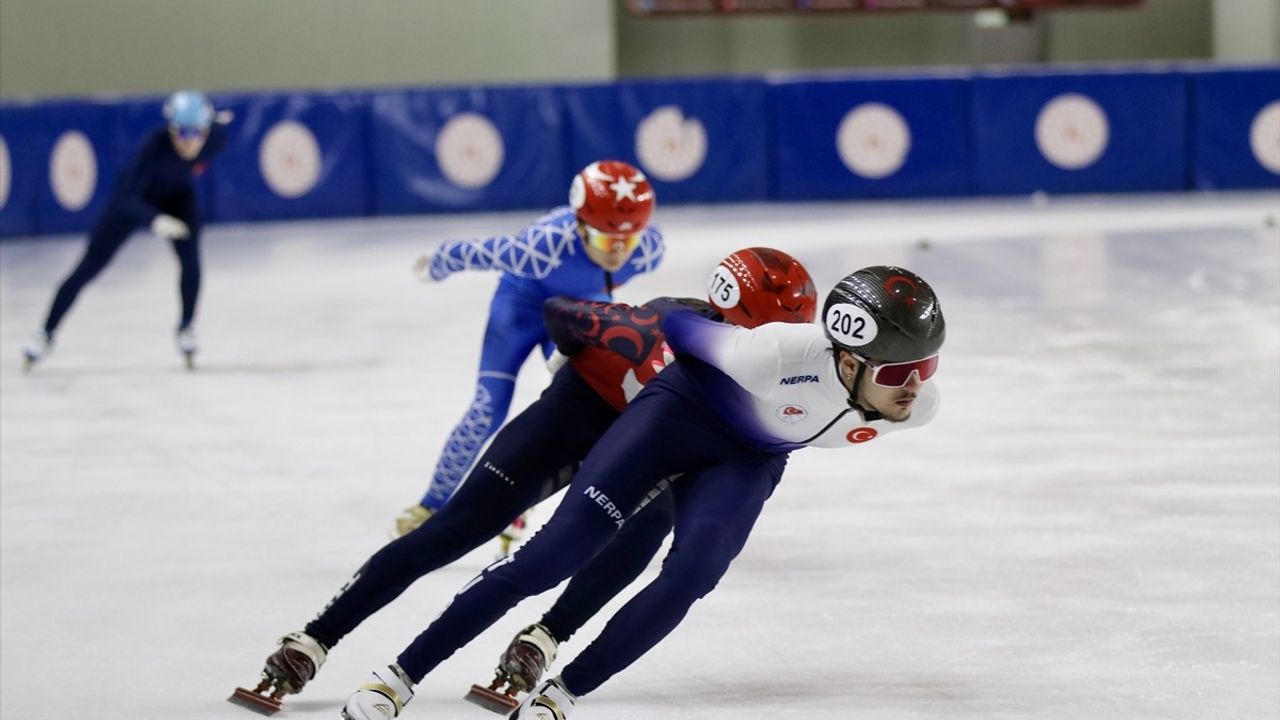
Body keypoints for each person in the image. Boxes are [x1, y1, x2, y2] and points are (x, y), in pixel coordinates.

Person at [336, 265, 946, 720]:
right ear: (845, 360)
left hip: (748, 459)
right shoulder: (773, 352)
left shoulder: (917, 407)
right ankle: (399, 675)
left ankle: (564, 693)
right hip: (674, 419)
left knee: (695, 573)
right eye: (897, 373)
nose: (914, 387)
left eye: (926, 367)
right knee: (554, 556)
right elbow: (674, 324)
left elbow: (893, 392)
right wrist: (592, 343)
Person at [227, 248, 816, 717]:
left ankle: (546, 635)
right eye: (769, 340)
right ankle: (318, 636)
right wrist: (570, 364)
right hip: (580, 413)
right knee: (455, 531)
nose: (777, 357)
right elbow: (565, 312)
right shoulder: (661, 324)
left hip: (655, 438)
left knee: (651, 525)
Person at [393, 160, 665, 545]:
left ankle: (519, 505)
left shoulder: (649, 250)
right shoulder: (543, 246)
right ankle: (431, 506)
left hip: (579, 311)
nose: (618, 254)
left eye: (628, 241)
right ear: (581, 226)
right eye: (606, 241)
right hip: (521, 308)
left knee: (574, 408)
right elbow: (474, 253)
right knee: (487, 408)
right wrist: (435, 266)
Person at [22, 90, 231, 370]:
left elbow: (219, 123)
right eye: (183, 133)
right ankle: (45, 333)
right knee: (88, 268)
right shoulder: (152, 148)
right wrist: (155, 220)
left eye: (198, 133)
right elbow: (126, 200)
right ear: (171, 129)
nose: (190, 142)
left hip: (178, 199)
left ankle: (186, 327)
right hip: (134, 202)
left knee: (191, 261)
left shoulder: (216, 137)